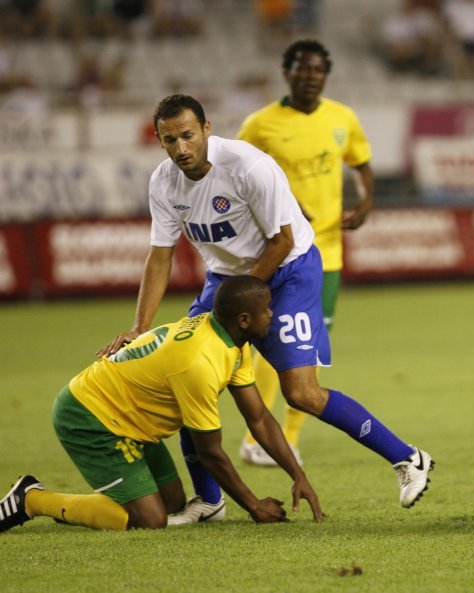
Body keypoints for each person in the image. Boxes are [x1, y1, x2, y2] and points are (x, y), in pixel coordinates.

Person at [96, 94, 434, 524]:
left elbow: (284, 240)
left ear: (206, 129)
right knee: (180, 369)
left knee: (301, 393)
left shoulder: (246, 166)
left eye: (186, 135)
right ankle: (208, 500)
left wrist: (246, 303)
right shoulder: (164, 183)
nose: (180, 148)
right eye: (169, 140)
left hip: (288, 270)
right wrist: (139, 327)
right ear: (159, 142)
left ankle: (408, 458)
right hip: (227, 281)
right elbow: (160, 255)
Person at [0, 275, 322, 533]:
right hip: (90, 416)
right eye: (266, 309)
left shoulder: (230, 342)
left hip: (131, 419)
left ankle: (100, 503)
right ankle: (32, 499)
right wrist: (253, 505)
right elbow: (210, 452)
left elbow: (260, 419)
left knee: (172, 504)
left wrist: (297, 475)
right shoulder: (200, 363)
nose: (272, 314)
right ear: (243, 319)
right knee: (149, 519)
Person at [235, 39, 374, 468]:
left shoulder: (342, 118)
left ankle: (289, 438)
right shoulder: (260, 125)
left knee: (307, 351)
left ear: (325, 74)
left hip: (326, 254)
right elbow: (235, 174)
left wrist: (366, 201)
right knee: (266, 346)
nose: (309, 75)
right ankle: (255, 437)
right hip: (278, 253)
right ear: (287, 72)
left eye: (317, 69)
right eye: (301, 68)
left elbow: (362, 162)